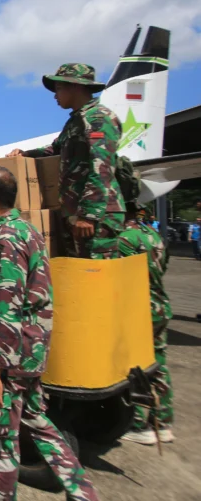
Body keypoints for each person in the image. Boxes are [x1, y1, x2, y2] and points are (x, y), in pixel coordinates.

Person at [0, 166, 99, 501]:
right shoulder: (26, 229)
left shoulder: (5, 240)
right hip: (29, 354)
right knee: (36, 422)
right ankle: (84, 492)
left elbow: (5, 309)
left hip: (8, 361)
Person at [8, 63, 125, 259]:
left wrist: (89, 215)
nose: (55, 95)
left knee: (95, 274)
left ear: (77, 87)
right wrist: (25, 153)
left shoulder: (98, 118)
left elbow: (102, 167)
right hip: (76, 213)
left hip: (97, 216)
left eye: (59, 89)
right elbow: (55, 149)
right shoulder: (76, 121)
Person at [116, 167, 174, 446]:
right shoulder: (153, 236)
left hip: (138, 309)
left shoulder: (123, 239)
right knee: (158, 363)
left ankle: (138, 423)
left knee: (136, 365)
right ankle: (163, 421)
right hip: (161, 305)